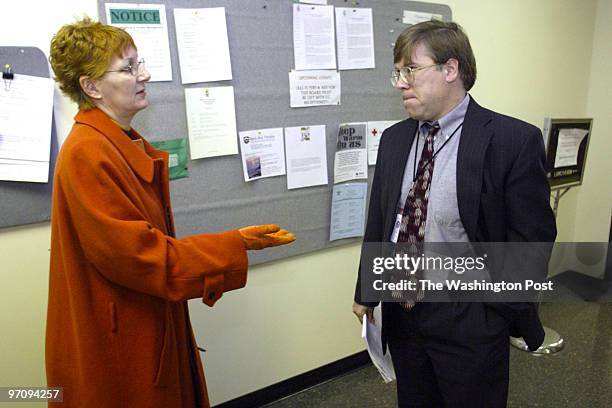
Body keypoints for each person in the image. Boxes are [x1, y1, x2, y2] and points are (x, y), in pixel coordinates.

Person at [46, 18, 295, 408]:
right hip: (124, 335)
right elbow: (141, 257)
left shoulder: (116, 141)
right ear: (91, 87)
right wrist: (235, 244)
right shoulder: (89, 152)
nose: (144, 73)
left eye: (138, 62)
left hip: (139, 319)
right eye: (128, 68)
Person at [352, 21, 556, 407]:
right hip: (404, 313)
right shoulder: (395, 140)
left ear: (450, 70)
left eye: (410, 70)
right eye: (398, 72)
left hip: (470, 319)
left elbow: (533, 241)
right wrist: (367, 289)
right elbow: (382, 221)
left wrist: (493, 312)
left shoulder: (511, 141)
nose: (400, 82)